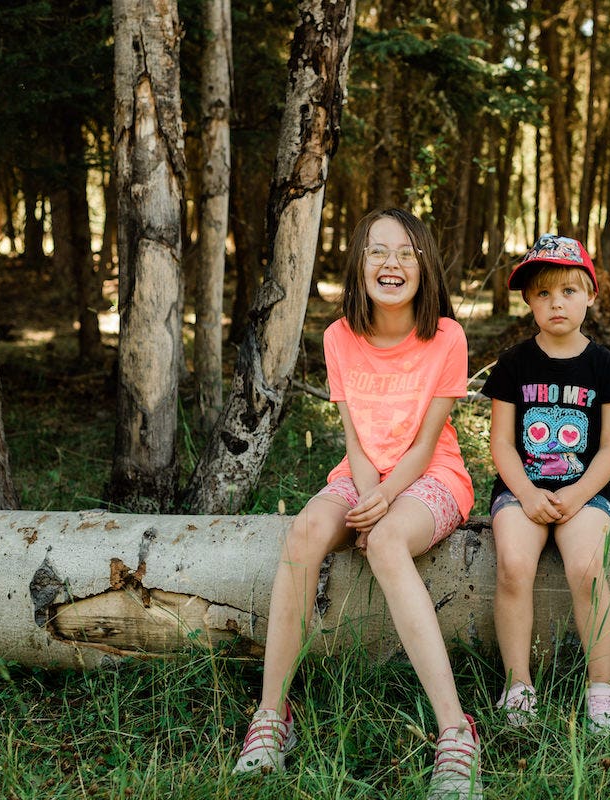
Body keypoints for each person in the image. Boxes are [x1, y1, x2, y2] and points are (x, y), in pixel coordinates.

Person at [232, 208, 483, 799]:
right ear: (358, 264)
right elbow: (354, 439)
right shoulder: (339, 337)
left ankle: (455, 731)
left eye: (404, 252)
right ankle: (272, 718)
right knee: (303, 532)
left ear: (423, 266)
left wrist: (386, 502)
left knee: (388, 540)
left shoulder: (446, 336)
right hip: (362, 474)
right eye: (377, 251)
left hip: (432, 477)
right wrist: (368, 493)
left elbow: (425, 444)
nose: (390, 264)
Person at [481, 234, 610, 733]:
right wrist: (526, 494)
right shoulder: (513, 365)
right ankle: (519, 685)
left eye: (569, 290)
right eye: (543, 294)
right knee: (513, 564)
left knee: (586, 568)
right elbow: (502, 444)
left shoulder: (605, 368)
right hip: (520, 490)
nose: (556, 303)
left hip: (585, 491)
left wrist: (575, 494)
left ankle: (601, 686)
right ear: (528, 300)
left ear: (591, 294)